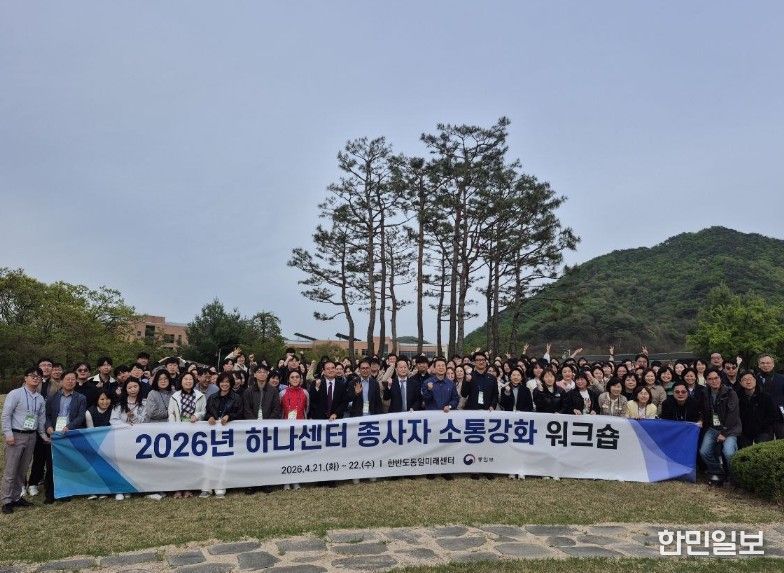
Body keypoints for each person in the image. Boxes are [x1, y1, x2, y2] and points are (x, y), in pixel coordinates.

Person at [2, 367, 48, 514]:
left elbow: (41, 419)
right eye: (32, 375)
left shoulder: (40, 398)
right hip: (16, 435)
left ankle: (17, 497)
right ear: (25, 378)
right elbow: (6, 414)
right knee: (11, 470)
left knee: (22, 470)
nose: (35, 378)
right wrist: (8, 433)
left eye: (38, 376)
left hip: (31, 436)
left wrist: (43, 435)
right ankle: (6, 500)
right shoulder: (15, 394)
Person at [43, 370, 87, 503]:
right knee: (52, 465)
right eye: (67, 379)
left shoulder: (81, 398)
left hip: (70, 434)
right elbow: (47, 415)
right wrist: (48, 427)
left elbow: (81, 416)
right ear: (61, 381)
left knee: (68, 464)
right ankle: (50, 494)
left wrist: (69, 427)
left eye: (73, 379)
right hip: (55, 435)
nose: (70, 381)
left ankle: (66, 492)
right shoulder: (52, 397)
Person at [700, 368, 741, 486]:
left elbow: (733, 415)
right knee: (704, 452)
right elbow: (702, 410)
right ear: (706, 381)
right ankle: (718, 473)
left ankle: (735, 477)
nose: (714, 381)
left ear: (720, 378)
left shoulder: (730, 393)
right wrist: (701, 419)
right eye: (710, 379)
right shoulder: (705, 393)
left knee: (728, 452)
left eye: (716, 378)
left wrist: (724, 433)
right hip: (713, 428)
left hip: (730, 429)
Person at [204, 372, 243, 498]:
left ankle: (221, 484)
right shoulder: (212, 397)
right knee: (210, 459)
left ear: (231, 383)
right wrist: (209, 417)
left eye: (227, 382)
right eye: (222, 381)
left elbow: (240, 414)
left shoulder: (236, 398)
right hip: (214, 434)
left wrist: (229, 416)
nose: (224, 384)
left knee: (224, 460)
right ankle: (208, 485)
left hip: (228, 434)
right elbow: (207, 413)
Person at [168, 372, 206, 498]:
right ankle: (178, 488)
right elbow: (171, 413)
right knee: (179, 461)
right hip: (178, 432)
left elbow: (204, 411)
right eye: (185, 379)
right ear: (181, 381)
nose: (188, 381)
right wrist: (174, 428)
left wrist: (197, 415)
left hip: (195, 432)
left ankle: (189, 487)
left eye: (190, 379)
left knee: (192, 461)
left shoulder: (200, 396)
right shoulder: (175, 396)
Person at [280, 370, 309, 491]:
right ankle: (286, 481)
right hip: (286, 428)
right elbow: (280, 410)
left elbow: (307, 409)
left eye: (297, 377)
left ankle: (296, 479)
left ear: (301, 379)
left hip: (300, 428)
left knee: (298, 454)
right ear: (288, 379)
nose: (295, 379)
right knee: (287, 454)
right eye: (292, 377)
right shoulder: (282, 393)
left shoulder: (305, 392)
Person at [736, 371, 776, 448]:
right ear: (740, 383)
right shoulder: (737, 398)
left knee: (762, 445)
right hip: (744, 431)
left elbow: (772, 415)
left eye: (750, 379)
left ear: (755, 380)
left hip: (764, 430)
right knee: (744, 448)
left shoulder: (766, 397)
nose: (748, 382)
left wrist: (761, 426)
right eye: (745, 380)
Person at [756, 354, 784, 439]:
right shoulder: (754, 379)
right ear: (759, 365)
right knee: (765, 441)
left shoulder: (782, 378)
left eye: (768, 363)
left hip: (780, 417)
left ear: (773, 364)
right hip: (762, 417)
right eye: (763, 363)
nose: (765, 365)